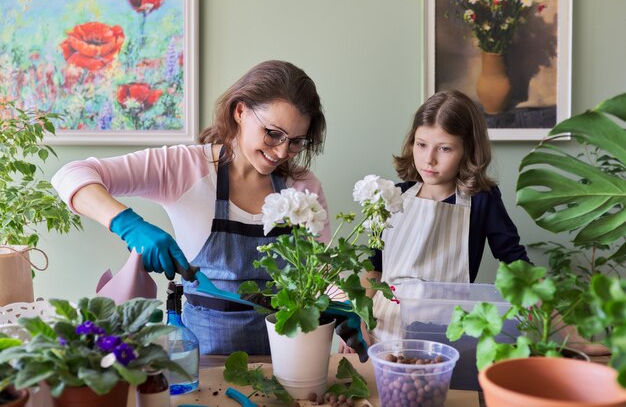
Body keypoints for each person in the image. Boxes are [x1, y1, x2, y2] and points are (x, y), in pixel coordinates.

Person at [52, 60, 331, 355]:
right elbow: (71, 175)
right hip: (202, 367)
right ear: (240, 112)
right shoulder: (183, 167)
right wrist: (129, 225)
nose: (282, 152)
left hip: (290, 361)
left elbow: (325, 275)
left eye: (296, 141)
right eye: (273, 134)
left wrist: (346, 314)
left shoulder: (302, 188)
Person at [362, 89, 529, 344]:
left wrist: (559, 325)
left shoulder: (482, 200)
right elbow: (374, 267)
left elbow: (515, 261)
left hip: (445, 338)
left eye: (445, 148)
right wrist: (357, 317)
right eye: (421, 145)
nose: (429, 159)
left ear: (468, 150)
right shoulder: (393, 196)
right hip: (383, 334)